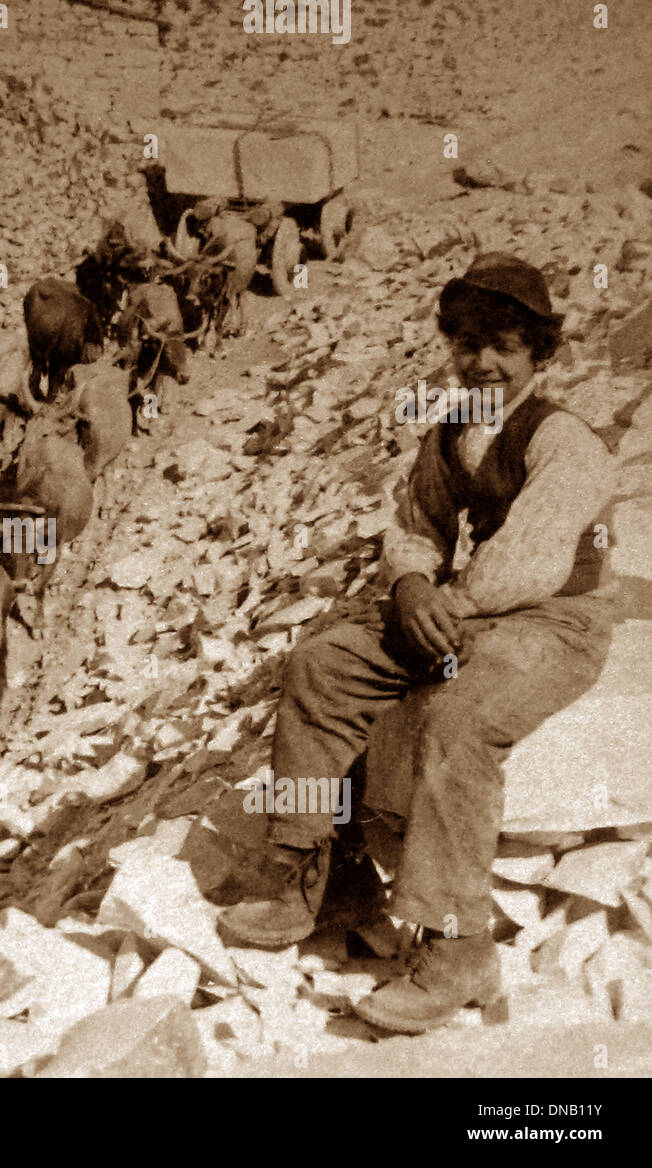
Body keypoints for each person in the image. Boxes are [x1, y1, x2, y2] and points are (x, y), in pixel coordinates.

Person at [222, 253, 619, 1034]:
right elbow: (417, 525)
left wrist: (451, 603)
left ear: (540, 353)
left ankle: (458, 948)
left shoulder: (565, 439)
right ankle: (321, 874)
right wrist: (409, 586)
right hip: (465, 606)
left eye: (504, 345)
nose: (483, 363)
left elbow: (530, 560)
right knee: (321, 664)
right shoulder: (455, 430)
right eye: (468, 344)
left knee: (458, 722)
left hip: (554, 622)